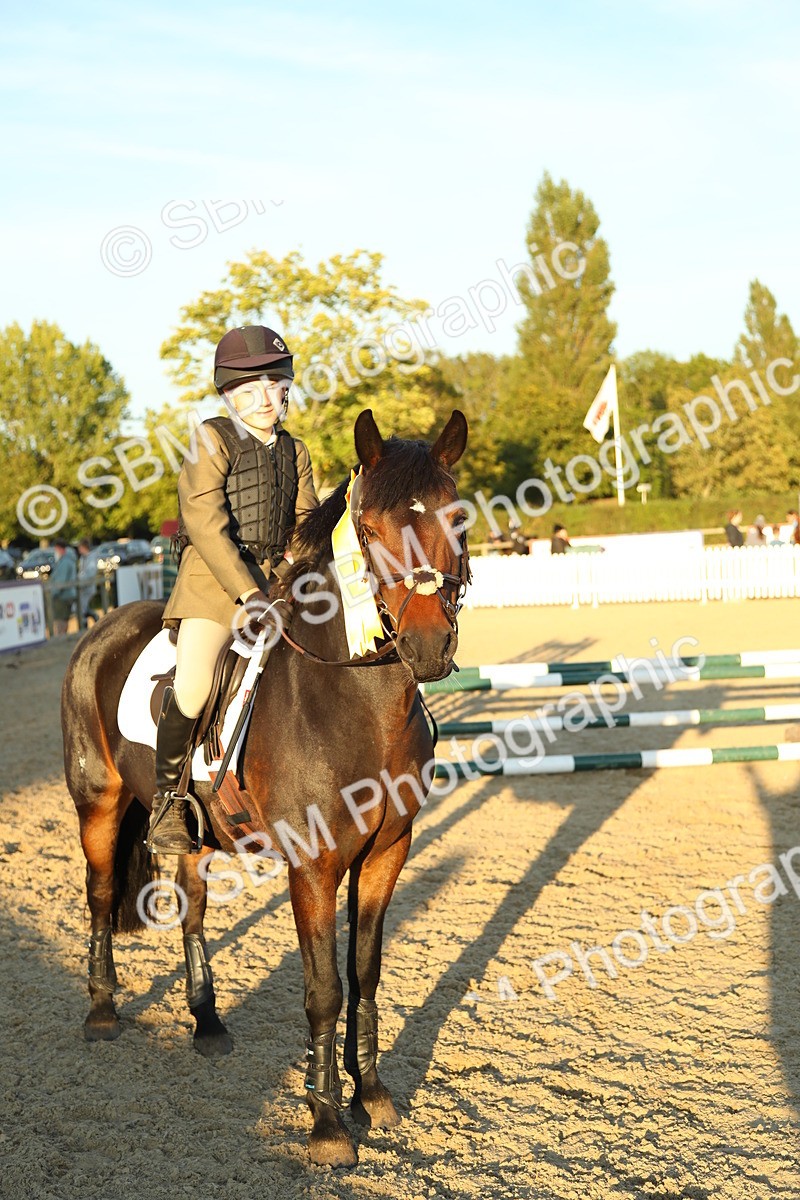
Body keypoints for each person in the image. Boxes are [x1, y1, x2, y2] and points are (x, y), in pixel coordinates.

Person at [147, 325, 319, 855]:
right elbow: (206, 524)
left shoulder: (298, 450)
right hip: (214, 587)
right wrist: (249, 594)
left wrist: (292, 568)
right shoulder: (211, 439)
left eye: (275, 387)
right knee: (196, 684)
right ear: (228, 395)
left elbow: (307, 521)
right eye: (250, 391)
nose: (265, 400)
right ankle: (168, 803)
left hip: (279, 585)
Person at [50, 539, 78, 636]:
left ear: (59, 549)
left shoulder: (64, 562)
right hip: (68, 595)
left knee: (60, 620)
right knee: (65, 619)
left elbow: (60, 582)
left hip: (62, 596)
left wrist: (52, 593)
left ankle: (60, 638)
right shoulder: (68, 560)